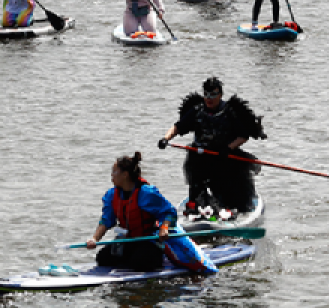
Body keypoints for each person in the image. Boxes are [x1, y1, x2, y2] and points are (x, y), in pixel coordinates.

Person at [86, 152, 214, 274]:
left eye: (114, 171)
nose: (111, 175)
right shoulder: (111, 195)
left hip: (149, 240)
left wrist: (164, 229)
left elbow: (169, 212)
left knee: (141, 262)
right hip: (127, 240)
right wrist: (94, 239)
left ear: (125, 175)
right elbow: (106, 220)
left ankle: (159, 258)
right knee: (102, 258)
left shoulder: (146, 193)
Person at [158, 77, 266, 215]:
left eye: (213, 95)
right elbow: (178, 127)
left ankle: (230, 208)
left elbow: (243, 136)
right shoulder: (197, 110)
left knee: (229, 189)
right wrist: (165, 138)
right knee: (197, 185)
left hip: (224, 157)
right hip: (200, 157)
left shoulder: (231, 112)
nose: (209, 98)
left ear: (220, 95)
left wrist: (228, 148)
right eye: (206, 95)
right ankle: (197, 208)